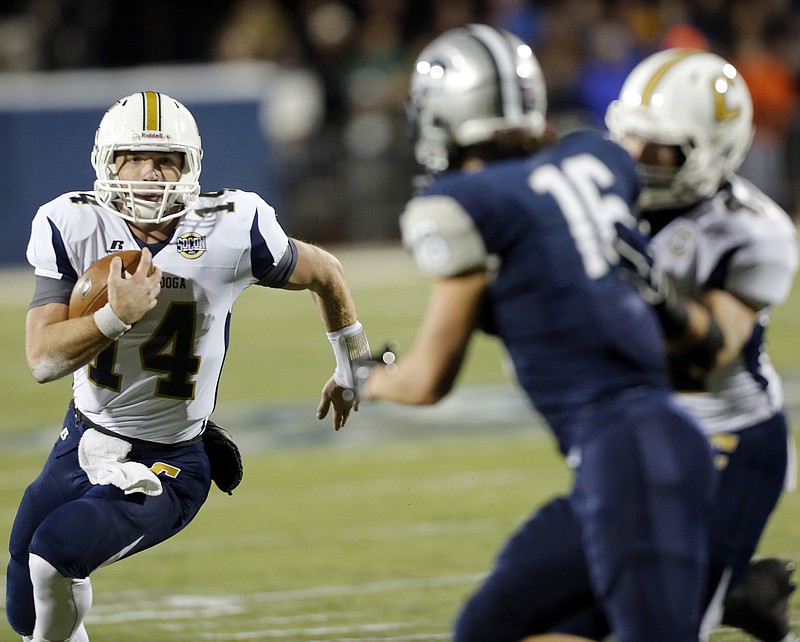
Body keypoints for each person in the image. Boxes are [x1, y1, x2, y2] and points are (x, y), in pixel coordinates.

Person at [355, 24, 716, 642]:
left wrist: (367, 378)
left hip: (626, 453)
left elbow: (426, 381)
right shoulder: (597, 158)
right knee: (490, 628)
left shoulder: (465, 202)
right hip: (641, 450)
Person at [5, 91, 370, 642]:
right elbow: (42, 360)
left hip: (169, 464)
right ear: (107, 162)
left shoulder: (232, 225)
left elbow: (326, 271)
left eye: (166, 160)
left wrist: (350, 366)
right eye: (134, 157)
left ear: (190, 167)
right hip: (81, 441)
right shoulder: (70, 223)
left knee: (53, 557)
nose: (150, 173)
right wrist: (114, 317)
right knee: (27, 610)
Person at [605, 47, 798, 641]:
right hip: (639, 429)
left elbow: (712, 349)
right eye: (631, 139)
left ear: (711, 148)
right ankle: (740, 593)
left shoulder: (752, 227)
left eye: (658, 146)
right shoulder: (609, 203)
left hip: (728, 437)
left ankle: (727, 588)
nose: (638, 158)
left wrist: (653, 293)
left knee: (666, 625)